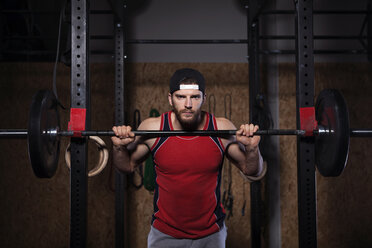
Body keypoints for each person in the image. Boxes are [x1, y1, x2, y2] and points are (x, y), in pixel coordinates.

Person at [111, 68, 265, 248]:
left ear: (204, 98)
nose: (188, 104)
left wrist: (252, 149)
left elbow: (252, 169)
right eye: (181, 97)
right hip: (164, 234)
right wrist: (119, 147)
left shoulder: (220, 128)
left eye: (195, 97)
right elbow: (126, 166)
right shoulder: (154, 128)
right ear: (170, 99)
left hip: (211, 234)